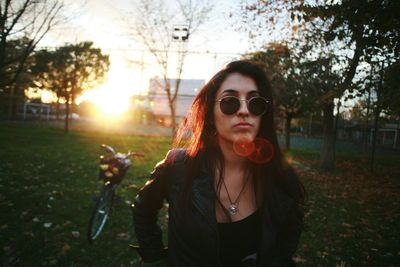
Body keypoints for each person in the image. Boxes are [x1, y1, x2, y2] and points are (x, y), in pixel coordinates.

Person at [131, 60, 305, 267]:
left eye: (255, 103)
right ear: (210, 114)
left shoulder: (282, 182)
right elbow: (143, 208)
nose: (243, 110)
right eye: (229, 101)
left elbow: (283, 251)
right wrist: (155, 258)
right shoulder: (178, 167)